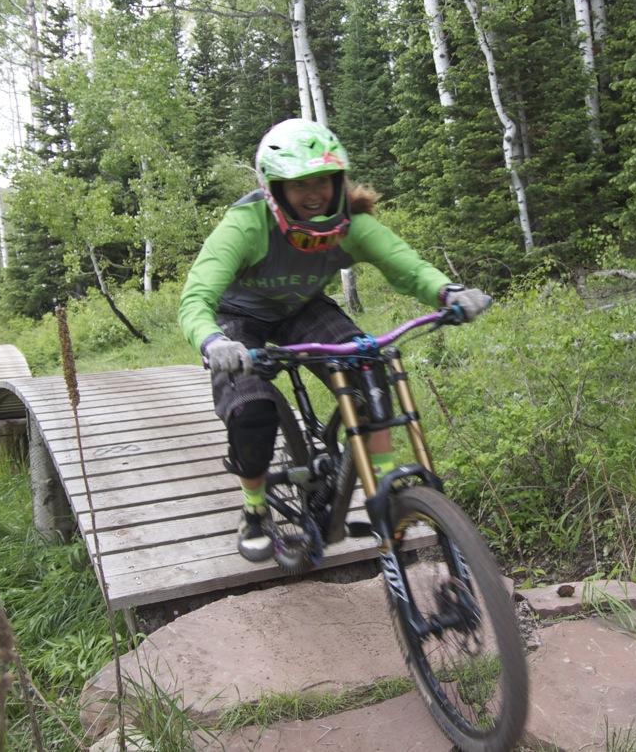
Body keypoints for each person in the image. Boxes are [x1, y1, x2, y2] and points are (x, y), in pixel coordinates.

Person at [178, 118, 490, 562]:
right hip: (237, 318)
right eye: (299, 183)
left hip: (302, 308)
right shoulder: (247, 225)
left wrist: (449, 292)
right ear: (275, 188)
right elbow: (196, 297)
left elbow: (408, 266)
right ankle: (253, 507)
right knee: (251, 414)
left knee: (370, 370)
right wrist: (212, 342)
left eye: (323, 180)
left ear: (338, 180)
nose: (314, 193)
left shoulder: (348, 226)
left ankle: (386, 495)